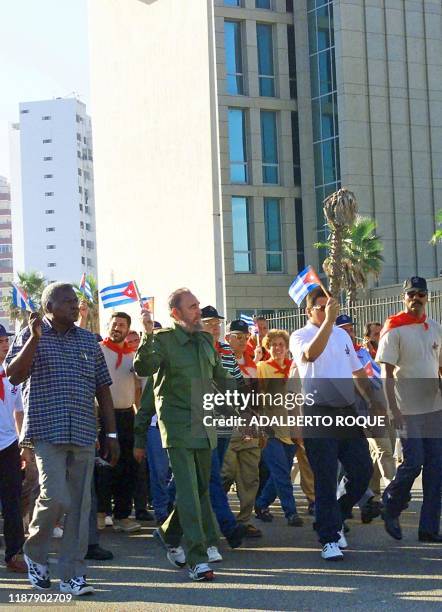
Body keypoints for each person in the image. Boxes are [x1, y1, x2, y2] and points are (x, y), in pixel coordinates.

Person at [5, 282, 119, 595]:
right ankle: (35, 553)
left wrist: (111, 433)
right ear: (49, 307)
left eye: (76, 300)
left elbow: (103, 388)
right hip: (46, 432)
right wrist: (33, 340)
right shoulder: (30, 334)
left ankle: (72, 573)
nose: (75, 305)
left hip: (83, 432)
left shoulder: (87, 339)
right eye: (67, 301)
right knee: (55, 496)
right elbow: (13, 375)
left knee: (80, 507)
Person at [134, 288, 234, 581]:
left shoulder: (205, 339)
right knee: (189, 491)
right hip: (177, 425)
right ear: (176, 313)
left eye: (198, 305)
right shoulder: (163, 341)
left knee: (201, 488)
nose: (198, 311)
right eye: (192, 307)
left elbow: (221, 377)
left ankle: (167, 533)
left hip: (204, 425)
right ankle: (198, 559)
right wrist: (147, 334)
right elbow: (143, 366)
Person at [290, 288, 381, 561]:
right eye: (321, 307)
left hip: (347, 412)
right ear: (309, 311)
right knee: (326, 478)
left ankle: (336, 516)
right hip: (318, 413)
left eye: (329, 307)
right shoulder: (300, 335)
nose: (327, 311)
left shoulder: (342, 335)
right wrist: (328, 321)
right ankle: (328, 538)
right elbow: (311, 355)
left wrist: (373, 401)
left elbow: (357, 372)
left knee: (362, 471)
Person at [377, 277, 442, 542]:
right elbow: (387, 373)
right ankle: (391, 504)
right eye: (411, 294)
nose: (416, 298)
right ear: (404, 298)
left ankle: (428, 529)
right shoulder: (394, 329)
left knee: (436, 467)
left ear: (428, 297)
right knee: (414, 461)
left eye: (421, 294)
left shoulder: (435, 327)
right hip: (407, 409)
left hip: (434, 409)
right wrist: (393, 410)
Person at [335, 314, 396, 524]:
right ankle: (389, 494)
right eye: (344, 329)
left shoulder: (361, 353)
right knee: (379, 452)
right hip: (353, 414)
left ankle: (368, 500)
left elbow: (376, 376)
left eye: (350, 328)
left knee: (364, 461)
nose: (348, 332)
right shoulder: (337, 355)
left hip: (375, 409)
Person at [200, 305, 247, 549]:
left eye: (217, 323)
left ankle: (170, 521)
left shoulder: (226, 351)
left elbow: (239, 381)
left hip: (225, 421)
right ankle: (228, 527)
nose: (215, 327)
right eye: (209, 323)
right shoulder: (196, 349)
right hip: (203, 422)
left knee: (206, 477)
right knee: (210, 476)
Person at [254, 330, 303, 527]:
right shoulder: (262, 368)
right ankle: (291, 512)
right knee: (282, 472)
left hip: (291, 428)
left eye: (281, 344)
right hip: (270, 428)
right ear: (268, 347)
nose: (278, 348)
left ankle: (261, 503)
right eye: (273, 344)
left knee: (278, 473)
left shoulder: (294, 368)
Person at [100, 313, 142, 533]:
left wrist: (139, 415)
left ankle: (123, 515)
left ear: (128, 329)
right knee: (104, 466)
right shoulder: (98, 350)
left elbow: (137, 388)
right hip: (103, 417)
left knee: (128, 466)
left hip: (127, 416)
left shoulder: (132, 356)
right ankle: (101, 512)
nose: (117, 328)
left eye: (122, 325)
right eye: (114, 324)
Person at [222, 320, 262, 538]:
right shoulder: (220, 362)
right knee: (224, 474)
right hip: (227, 426)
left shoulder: (252, 365)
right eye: (238, 336)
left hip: (250, 425)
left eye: (245, 337)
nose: (243, 341)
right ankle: (220, 517)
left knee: (250, 477)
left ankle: (244, 521)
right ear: (227, 338)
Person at [0, 324, 26, 573]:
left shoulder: (12, 375)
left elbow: (19, 411)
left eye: (6, 341)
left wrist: (22, 445)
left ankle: (15, 554)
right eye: (0, 342)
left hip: (8, 446)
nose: (5, 346)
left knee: (13, 503)